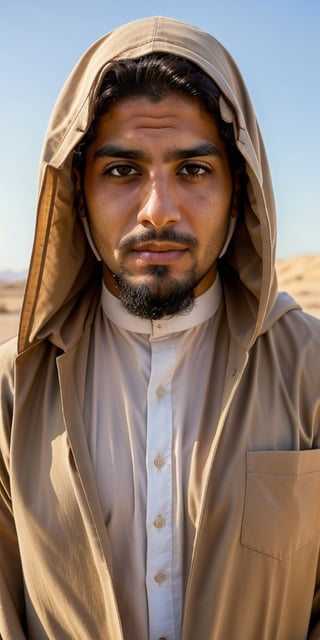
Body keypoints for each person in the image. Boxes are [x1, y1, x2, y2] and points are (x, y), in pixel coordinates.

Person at [0, 15, 320, 640]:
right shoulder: (14, 389)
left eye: (194, 170)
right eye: (121, 170)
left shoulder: (310, 369)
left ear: (240, 189)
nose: (158, 210)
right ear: (76, 191)